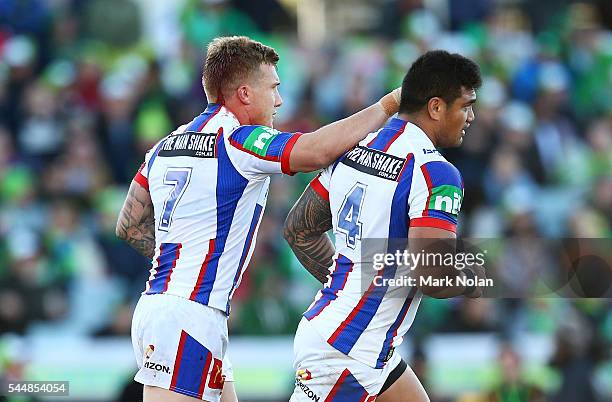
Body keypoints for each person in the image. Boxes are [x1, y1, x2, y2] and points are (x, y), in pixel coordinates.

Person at [115, 36, 402, 402]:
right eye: (274, 88)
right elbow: (315, 151)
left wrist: (180, 270)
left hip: (172, 309)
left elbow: (128, 224)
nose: (279, 100)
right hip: (189, 316)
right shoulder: (238, 139)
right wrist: (387, 104)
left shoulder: (166, 144)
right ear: (246, 94)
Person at [283, 50, 484, 401]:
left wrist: (354, 283)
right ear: (436, 108)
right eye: (465, 106)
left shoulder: (354, 147)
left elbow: (299, 229)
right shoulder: (437, 172)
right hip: (348, 354)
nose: (471, 116)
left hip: (350, 338)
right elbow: (432, 277)